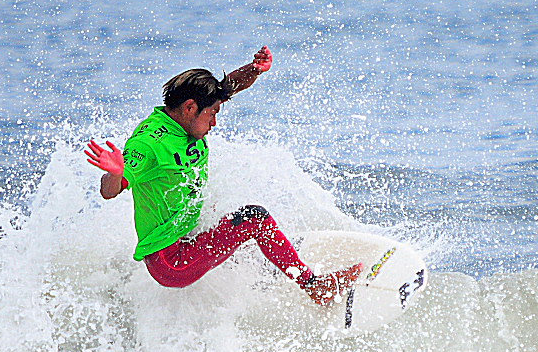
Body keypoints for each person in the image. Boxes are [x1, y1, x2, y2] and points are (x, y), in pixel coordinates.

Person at [85, 46, 362, 306]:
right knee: (254, 218)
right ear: (190, 108)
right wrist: (115, 172)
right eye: (212, 114)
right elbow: (109, 191)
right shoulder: (148, 144)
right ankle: (315, 287)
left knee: (224, 211)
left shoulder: (186, 120)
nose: (214, 122)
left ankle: (267, 267)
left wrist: (254, 70)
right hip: (171, 260)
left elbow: (227, 87)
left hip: (188, 232)